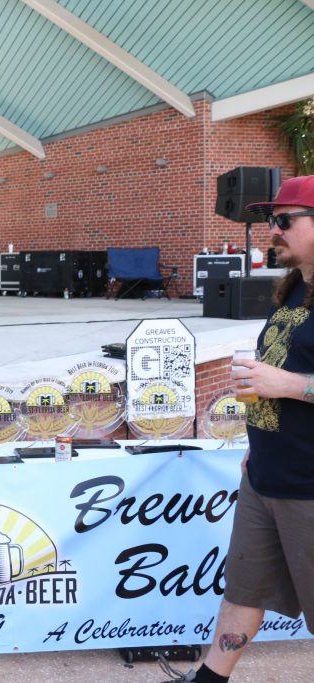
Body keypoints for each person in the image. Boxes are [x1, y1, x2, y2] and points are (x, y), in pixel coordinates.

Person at [163, 174, 314, 682]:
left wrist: (287, 385)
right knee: (244, 590)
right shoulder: (294, 291)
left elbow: (290, 383)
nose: (273, 230)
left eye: (285, 220)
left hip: (309, 486)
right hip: (266, 474)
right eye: (272, 220)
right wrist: (257, 443)